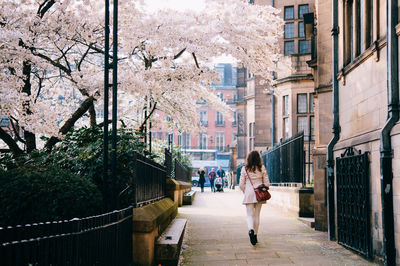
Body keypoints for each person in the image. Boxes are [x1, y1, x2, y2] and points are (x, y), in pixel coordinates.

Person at [239, 150, 270, 246]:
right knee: (257, 215)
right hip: (259, 193)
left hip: (249, 193)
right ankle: (255, 236)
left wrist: (245, 191)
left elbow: (241, 184)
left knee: (249, 215)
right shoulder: (262, 168)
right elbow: (267, 183)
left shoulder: (245, 169)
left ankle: (251, 230)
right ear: (258, 158)